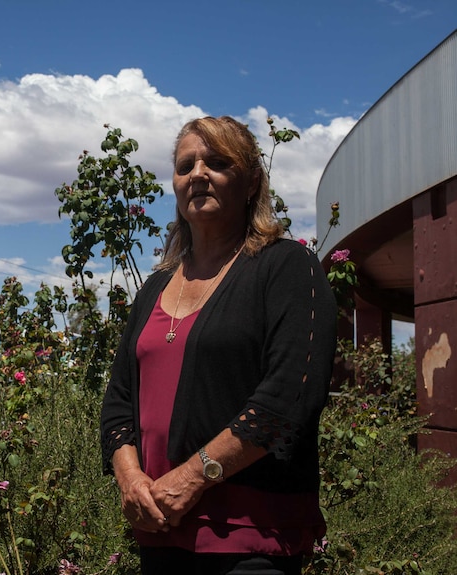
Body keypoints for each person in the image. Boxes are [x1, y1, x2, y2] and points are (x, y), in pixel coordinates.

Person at [100, 116, 337, 575]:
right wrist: (131, 481)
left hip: (250, 538)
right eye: (186, 165)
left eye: (218, 162)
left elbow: (290, 397)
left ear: (251, 183)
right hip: (159, 530)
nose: (198, 174)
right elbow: (119, 402)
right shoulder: (155, 287)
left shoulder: (287, 268)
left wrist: (193, 478)